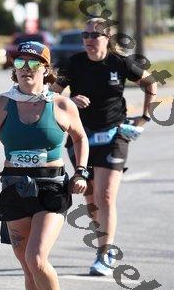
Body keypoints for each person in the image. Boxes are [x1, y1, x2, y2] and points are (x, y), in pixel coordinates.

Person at [0, 41, 89, 290]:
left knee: (36, 258)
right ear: (13, 70)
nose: (26, 69)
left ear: (45, 69)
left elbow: (80, 137)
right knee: (28, 268)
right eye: (20, 63)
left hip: (51, 188)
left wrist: (81, 172)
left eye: (33, 63)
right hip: (14, 188)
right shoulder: (1, 105)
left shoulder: (62, 105)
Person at [52, 18, 158, 276]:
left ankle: (105, 253)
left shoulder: (120, 63)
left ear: (107, 39)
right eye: (85, 35)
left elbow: (150, 83)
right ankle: (103, 240)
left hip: (114, 135)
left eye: (95, 35)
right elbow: (51, 96)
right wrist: (70, 100)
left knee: (105, 196)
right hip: (81, 137)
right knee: (91, 200)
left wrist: (145, 117)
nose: (89, 39)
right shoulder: (74, 64)